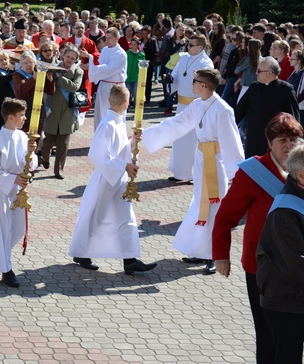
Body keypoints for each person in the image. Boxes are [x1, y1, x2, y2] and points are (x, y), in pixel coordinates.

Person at [213, 113, 303, 364]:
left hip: (302, 266)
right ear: (270, 143)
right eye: (282, 140)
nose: (289, 145)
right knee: (267, 333)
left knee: (296, 334)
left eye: (294, 140)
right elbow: (225, 217)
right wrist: (221, 255)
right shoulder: (253, 172)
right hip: (263, 265)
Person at [142, 69, 244, 274]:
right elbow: (177, 123)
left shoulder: (223, 110)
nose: (192, 84)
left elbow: (232, 142)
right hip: (200, 160)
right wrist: (148, 134)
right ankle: (200, 250)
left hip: (215, 162)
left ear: (204, 85)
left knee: (214, 207)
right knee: (200, 205)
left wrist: (238, 174)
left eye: (195, 81)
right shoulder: (197, 104)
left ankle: (214, 254)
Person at [68, 85, 157, 274]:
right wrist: (124, 165)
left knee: (127, 218)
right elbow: (98, 154)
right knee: (95, 217)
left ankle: (130, 260)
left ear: (109, 101)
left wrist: (133, 140)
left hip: (118, 179)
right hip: (105, 180)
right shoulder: (108, 124)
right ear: (127, 103)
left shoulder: (117, 121)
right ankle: (81, 252)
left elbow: (120, 148)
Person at [256, 141, 304, 364]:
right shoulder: (284, 213)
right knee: (287, 357)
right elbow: (298, 266)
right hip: (288, 303)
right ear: (301, 176)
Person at [0, 97, 38, 287]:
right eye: (22, 115)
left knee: (18, 227)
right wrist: (12, 178)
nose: (25, 119)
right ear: (10, 117)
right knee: (2, 227)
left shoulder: (23, 137)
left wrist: (32, 152)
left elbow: (30, 164)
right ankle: (6, 270)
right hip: (1, 187)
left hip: (18, 186)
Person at [166, 34, 214, 182]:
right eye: (188, 44)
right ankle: (179, 173)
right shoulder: (184, 58)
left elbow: (208, 84)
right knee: (180, 139)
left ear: (200, 47)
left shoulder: (206, 62)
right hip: (181, 106)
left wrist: (199, 78)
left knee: (194, 142)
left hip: (197, 107)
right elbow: (176, 75)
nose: (188, 47)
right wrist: (170, 79)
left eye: (191, 45)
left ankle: (193, 175)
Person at [235, 57, 300, 158]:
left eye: (259, 71)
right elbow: (239, 111)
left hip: (275, 139)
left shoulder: (286, 89)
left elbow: (293, 118)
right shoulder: (254, 87)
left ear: (269, 73)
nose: (256, 73)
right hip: (254, 137)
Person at [39, 44, 83, 179]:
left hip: (67, 111)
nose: (69, 60)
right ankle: (44, 158)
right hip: (52, 108)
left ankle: (58, 170)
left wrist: (59, 78)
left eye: (73, 58)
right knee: (48, 141)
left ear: (76, 60)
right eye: (68, 56)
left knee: (63, 144)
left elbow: (74, 87)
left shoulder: (77, 71)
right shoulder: (54, 67)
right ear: (63, 55)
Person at [88, 27, 127, 130]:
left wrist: (91, 65)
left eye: (110, 38)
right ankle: (100, 137)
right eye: (106, 38)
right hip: (104, 86)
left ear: (117, 38)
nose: (107, 40)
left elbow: (109, 69)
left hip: (116, 87)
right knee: (101, 112)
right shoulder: (104, 50)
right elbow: (101, 65)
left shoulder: (121, 53)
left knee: (115, 113)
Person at [125, 36, 145, 107]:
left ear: (138, 45)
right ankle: (126, 107)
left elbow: (143, 67)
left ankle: (137, 108)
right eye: (131, 44)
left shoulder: (141, 55)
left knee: (136, 93)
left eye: (134, 44)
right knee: (126, 94)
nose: (132, 46)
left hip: (136, 78)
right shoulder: (127, 53)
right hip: (127, 77)